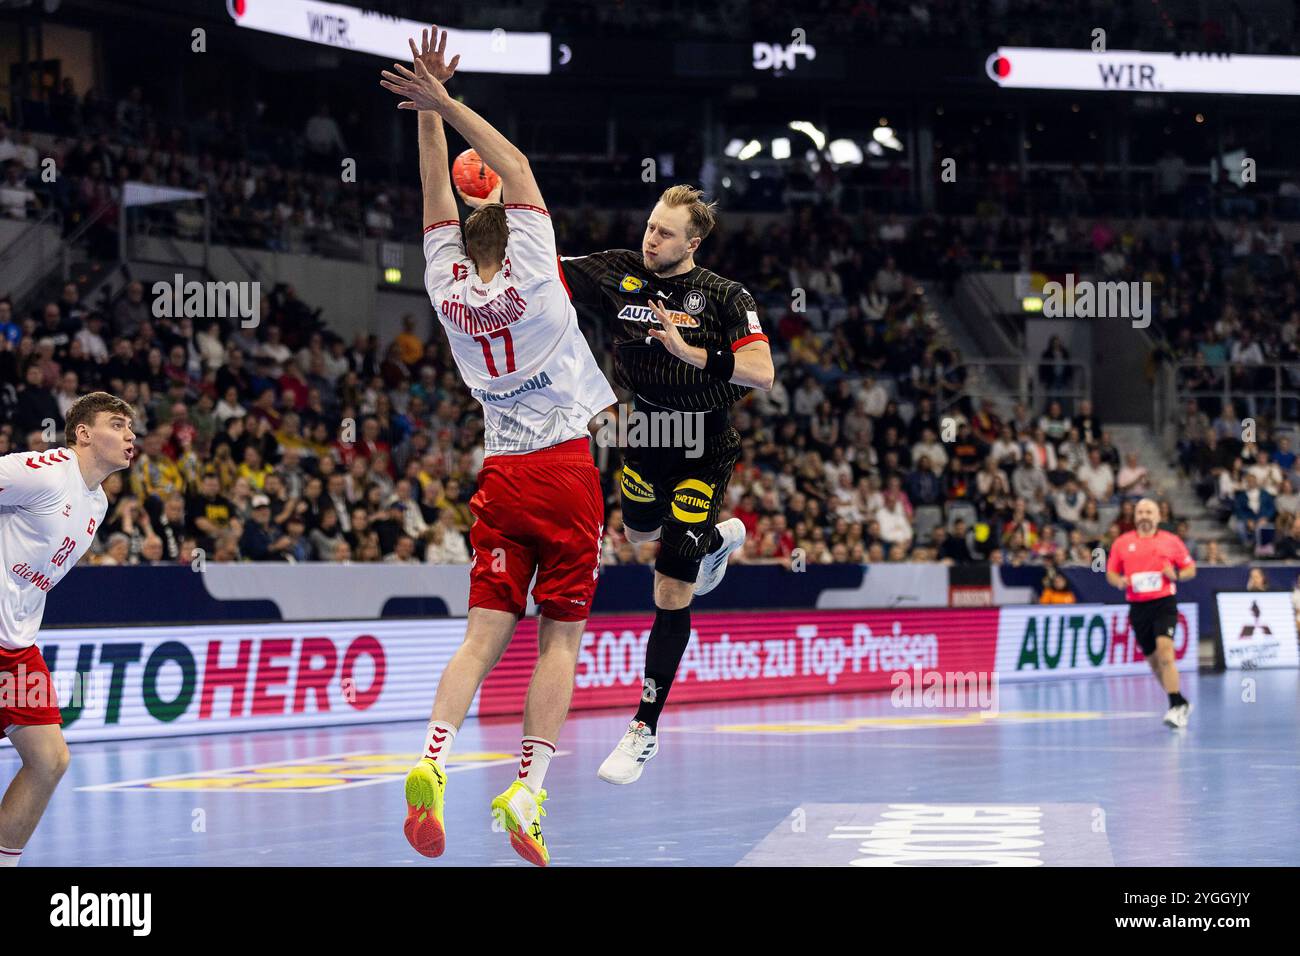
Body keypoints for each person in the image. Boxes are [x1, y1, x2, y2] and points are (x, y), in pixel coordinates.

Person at [381, 27, 616, 867]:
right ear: (520, 237)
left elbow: (430, 194)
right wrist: (447, 99)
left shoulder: (446, 291)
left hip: (500, 477)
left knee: (481, 635)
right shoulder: (541, 281)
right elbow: (513, 166)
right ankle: (528, 789)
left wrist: (426, 115)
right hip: (563, 471)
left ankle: (431, 760)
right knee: (560, 641)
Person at [559, 189, 774, 783]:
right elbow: (540, 263)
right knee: (637, 534)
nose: (651, 239)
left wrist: (689, 350)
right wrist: (499, 203)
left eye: (664, 233)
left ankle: (643, 728)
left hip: (702, 444)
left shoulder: (729, 297)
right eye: (650, 227)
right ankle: (713, 544)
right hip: (647, 427)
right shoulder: (621, 270)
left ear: (692, 245)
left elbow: (763, 373)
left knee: (670, 585)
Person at [0, 391, 135, 865]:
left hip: (16, 647)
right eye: (117, 424)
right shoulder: (45, 471)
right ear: (82, 433)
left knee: (49, 760)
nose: (130, 434)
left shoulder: (96, 503)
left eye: (131, 427)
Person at [1105, 498, 1197, 729]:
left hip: (1164, 603)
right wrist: (1120, 581)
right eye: (1140, 512)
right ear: (1135, 516)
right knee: (1155, 664)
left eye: (1149, 512)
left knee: (1166, 653)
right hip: (1138, 608)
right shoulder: (1122, 542)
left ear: (1158, 517)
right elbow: (1111, 573)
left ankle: (1175, 706)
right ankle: (1180, 701)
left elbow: (1190, 569)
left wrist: (1176, 575)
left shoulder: (1171, 541)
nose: (1144, 515)